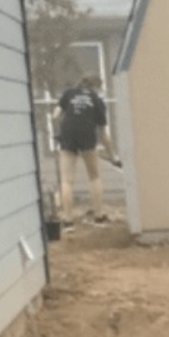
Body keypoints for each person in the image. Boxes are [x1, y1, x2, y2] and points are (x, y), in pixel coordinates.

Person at [52, 74, 117, 224]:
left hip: (68, 133)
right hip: (87, 134)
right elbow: (103, 133)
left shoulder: (69, 93)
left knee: (67, 181)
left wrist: (63, 123)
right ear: (96, 86)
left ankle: (68, 220)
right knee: (94, 177)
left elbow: (55, 115)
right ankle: (99, 215)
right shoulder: (97, 100)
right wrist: (112, 155)